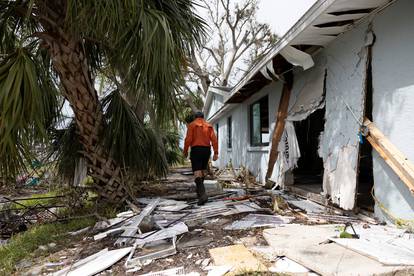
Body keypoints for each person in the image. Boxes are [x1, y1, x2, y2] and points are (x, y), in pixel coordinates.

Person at [183, 111, 218, 205]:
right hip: (206, 150)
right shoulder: (209, 126)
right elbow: (214, 140)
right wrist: (216, 153)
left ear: (195, 117)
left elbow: (188, 139)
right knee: (203, 171)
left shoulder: (192, 125)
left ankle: (203, 195)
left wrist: (185, 151)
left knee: (197, 172)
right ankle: (200, 192)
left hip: (196, 150)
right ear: (203, 117)